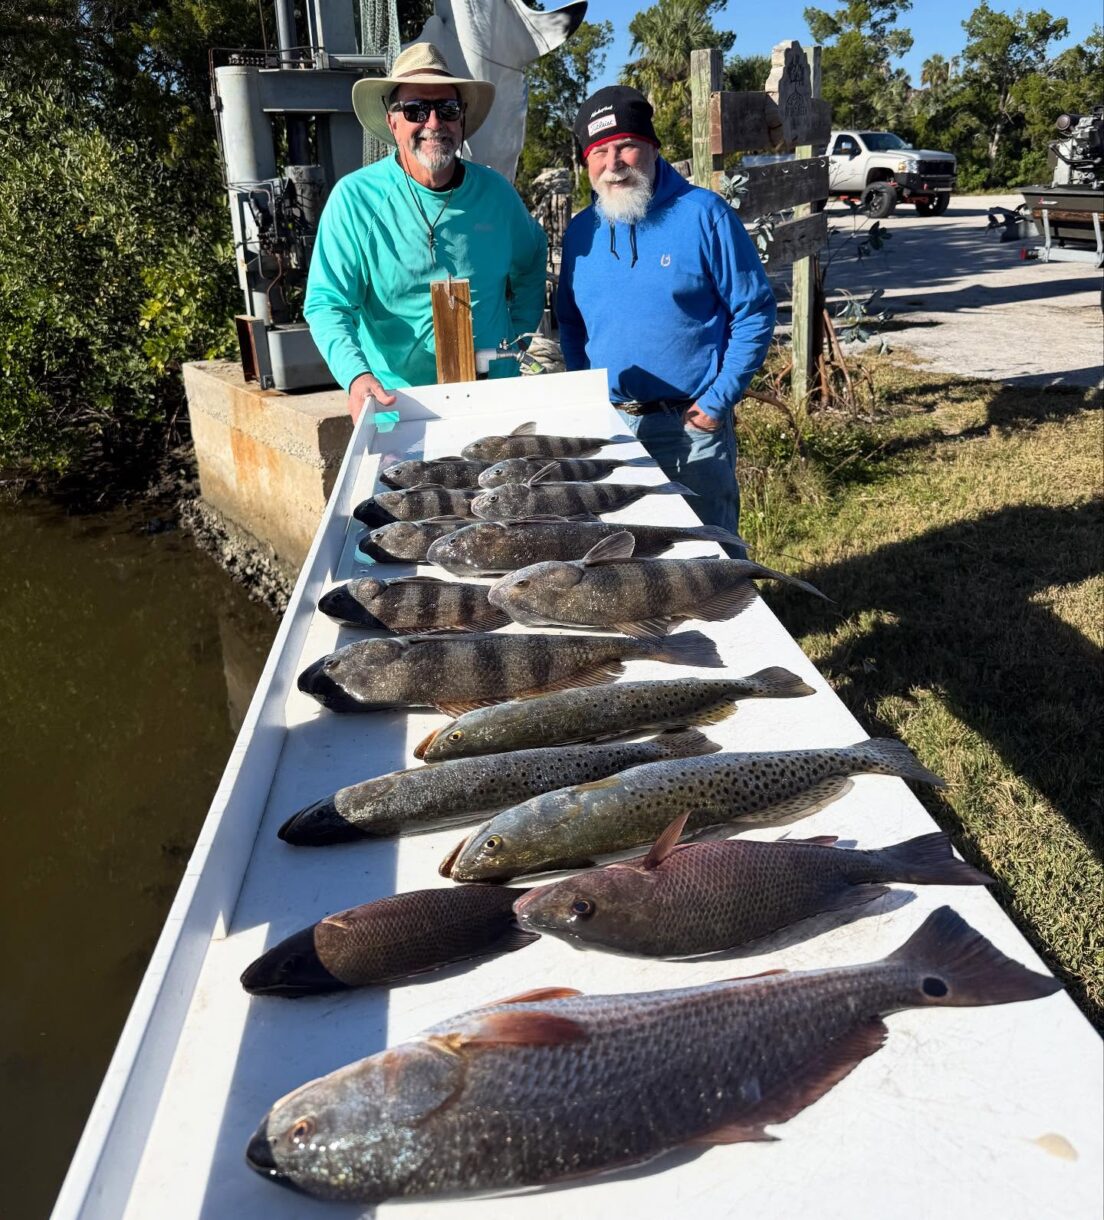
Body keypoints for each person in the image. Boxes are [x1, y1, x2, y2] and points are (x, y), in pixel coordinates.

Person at [556, 86, 776, 540]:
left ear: (652, 148)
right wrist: (586, 398)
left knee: (709, 553)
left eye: (626, 146)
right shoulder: (581, 233)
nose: (613, 163)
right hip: (611, 429)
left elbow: (754, 311)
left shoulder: (703, 214)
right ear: (586, 164)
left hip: (689, 424)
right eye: (599, 151)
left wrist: (715, 404)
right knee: (623, 555)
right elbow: (572, 323)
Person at [304, 43, 548, 422]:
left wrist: (517, 335)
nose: (433, 123)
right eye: (416, 109)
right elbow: (327, 303)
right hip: (401, 411)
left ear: (462, 118)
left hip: (496, 403)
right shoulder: (355, 200)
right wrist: (356, 375)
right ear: (393, 122)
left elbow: (533, 257)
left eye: (447, 109)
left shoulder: (497, 194)